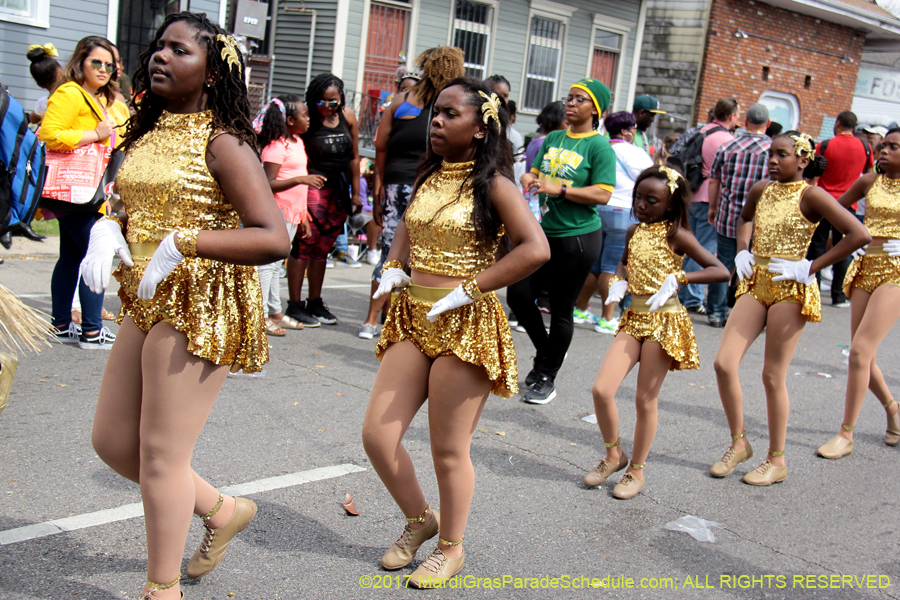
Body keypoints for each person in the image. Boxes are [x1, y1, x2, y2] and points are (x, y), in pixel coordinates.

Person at [80, 12, 290, 599]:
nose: (160, 56)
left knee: (160, 456)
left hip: (202, 301)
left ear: (212, 70)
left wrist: (185, 241)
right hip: (147, 296)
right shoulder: (145, 131)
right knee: (112, 441)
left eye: (179, 50)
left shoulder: (224, 143)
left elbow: (273, 236)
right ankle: (222, 510)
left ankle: (161, 588)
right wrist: (109, 225)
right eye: (158, 47)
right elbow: (129, 202)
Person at [362, 77, 549, 587]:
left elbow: (535, 248)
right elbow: (406, 223)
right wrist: (395, 265)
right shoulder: (430, 177)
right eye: (436, 113)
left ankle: (452, 547)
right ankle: (421, 520)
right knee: (377, 436)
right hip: (413, 317)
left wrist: (472, 287)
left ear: (480, 127)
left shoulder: (496, 186)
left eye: (449, 114)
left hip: (465, 322)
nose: (436, 122)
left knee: (448, 448)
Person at [710, 133, 869, 486]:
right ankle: (739, 442)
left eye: (782, 155)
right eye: (771, 154)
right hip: (757, 281)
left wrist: (810, 267)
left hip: (791, 287)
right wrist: (742, 250)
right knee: (723, 363)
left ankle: (776, 459)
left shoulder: (812, 195)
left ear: (802, 160)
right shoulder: (761, 189)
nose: (773, 160)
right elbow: (745, 218)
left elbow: (858, 234)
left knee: (772, 375)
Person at [586, 165, 728, 498]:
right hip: (634, 318)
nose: (641, 204)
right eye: (638, 197)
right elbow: (624, 261)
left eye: (652, 200)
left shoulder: (677, 235)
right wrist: (620, 278)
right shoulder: (635, 231)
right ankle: (613, 454)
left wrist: (681, 278)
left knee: (644, 398)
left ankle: (636, 470)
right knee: (602, 389)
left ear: (670, 204)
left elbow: (719, 270)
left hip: (664, 320)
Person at [511, 78, 616, 404]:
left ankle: (546, 377)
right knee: (518, 295)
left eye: (580, 100)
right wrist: (530, 177)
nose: (570, 104)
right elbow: (536, 174)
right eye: (569, 98)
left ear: (595, 109)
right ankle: (549, 353)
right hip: (542, 233)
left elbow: (603, 193)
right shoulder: (554, 138)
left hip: (578, 237)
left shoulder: (598, 146)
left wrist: (561, 190)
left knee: (560, 309)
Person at [359, 46, 465, 340]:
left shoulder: (425, 102)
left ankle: (385, 320)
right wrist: (379, 190)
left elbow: (381, 147)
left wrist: (380, 189)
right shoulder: (414, 102)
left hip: (419, 187)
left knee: (406, 256)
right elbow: (381, 147)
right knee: (400, 255)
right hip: (413, 187)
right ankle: (376, 319)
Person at [39, 35, 129, 349]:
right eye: (97, 63)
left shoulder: (103, 98)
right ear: (81, 62)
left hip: (85, 192)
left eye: (110, 64)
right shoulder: (70, 93)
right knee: (97, 253)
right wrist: (95, 133)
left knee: (71, 256)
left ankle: (61, 326)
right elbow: (49, 134)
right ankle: (91, 331)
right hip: (74, 189)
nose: (104, 69)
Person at [818, 128, 900, 458]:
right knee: (862, 355)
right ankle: (894, 411)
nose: (884, 151)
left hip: (896, 272)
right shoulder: (869, 181)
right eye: (883, 146)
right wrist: (851, 237)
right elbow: (834, 208)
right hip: (865, 267)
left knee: (859, 353)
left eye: (894, 147)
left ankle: (845, 434)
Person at [283, 73, 361, 326]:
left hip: (340, 189)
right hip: (314, 187)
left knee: (323, 248)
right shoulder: (308, 121)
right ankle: (295, 304)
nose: (327, 107)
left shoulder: (348, 116)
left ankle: (315, 302)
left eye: (333, 102)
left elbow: (354, 158)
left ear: (341, 99)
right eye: (322, 102)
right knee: (305, 244)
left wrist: (357, 192)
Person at [573, 111, 653, 334]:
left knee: (596, 264)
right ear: (628, 131)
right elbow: (651, 179)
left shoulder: (598, 148)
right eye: (634, 128)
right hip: (623, 211)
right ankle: (607, 318)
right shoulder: (634, 153)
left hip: (597, 208)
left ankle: (579, 309)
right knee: (613, 266)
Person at [256, 94, 327, 333]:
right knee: (267, 264)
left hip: (292, 212)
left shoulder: (296, 141)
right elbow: (266, 183)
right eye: (304, 115)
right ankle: (260, 316)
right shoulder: (275, 146)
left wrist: (304, 215)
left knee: (277, 265)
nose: (308, 119)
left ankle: (274, 311)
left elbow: (298, 188)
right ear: (288, 120)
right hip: (277, 210)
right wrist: (301, 179)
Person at [706, 103, 772, 326]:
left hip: (729, 214)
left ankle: (715, 311)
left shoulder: (728, 147)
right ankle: (747, 313)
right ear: (768, 124)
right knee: (755, 266)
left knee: (723, 265)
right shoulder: (773, 151)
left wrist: (713, 208)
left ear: (745, 123)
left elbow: (714, 180)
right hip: (760, 220)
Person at [677, 98, 740, 319]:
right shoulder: (727, 140)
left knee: (687, 245)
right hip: (708, 197)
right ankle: (692, 297)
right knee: (702, 249)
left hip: (689, 192)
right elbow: (719, 175)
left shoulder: (698, 131)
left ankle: (682, 291)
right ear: (731, 116)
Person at [808, 111, 874, 307]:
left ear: (837, 124)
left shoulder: (825, 144)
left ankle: (814, 291)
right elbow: (868, 173)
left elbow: (815, 170)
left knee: (817, 247)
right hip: (848, 205)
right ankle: (838, 295)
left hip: (823, 202)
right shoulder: (865, 146)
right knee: (844, 249)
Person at [25, 43, 65, 125]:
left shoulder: (43, 103)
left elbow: (32, 119)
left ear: (39, 84)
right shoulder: (75, 94)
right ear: (62, 72)